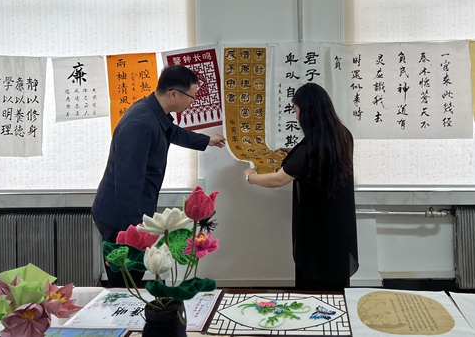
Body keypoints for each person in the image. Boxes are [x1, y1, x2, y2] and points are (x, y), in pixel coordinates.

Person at [92, 64, 226, 287]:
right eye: (191, 97)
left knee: (131, 278)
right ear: (174, 94)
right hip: (121, 216)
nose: (192, 102)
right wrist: (136, 231)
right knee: (125, 283)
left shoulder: (152, 111)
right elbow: (127, 184)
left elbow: (172, 132)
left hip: (131, 209)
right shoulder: (140, 124)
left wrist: (206, 141)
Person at [244, 82, 359, 291]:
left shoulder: (310, 146)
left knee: (315, 280)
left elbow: (278, 179)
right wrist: (294, 154)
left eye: (296, 111)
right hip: (339, 222)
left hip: (317, 225)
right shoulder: (343, 135)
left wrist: (251, 177)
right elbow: (322, 161)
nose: (296, 117)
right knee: (336, 279)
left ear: (307, 112)